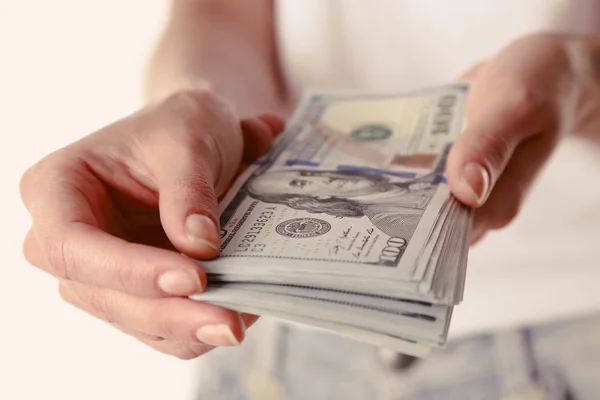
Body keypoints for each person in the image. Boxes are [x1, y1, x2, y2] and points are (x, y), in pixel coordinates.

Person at [19, 0, 600, 398]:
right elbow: (221, 11)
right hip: (270, 343)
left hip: (572, 337)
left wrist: (584, 78)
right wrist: (198, 108)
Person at [245, 168, 439, 239]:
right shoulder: (394, 220)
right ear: (315, 198)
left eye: (308, 174)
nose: (325, 177)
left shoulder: (406, 181)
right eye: (303, 183)